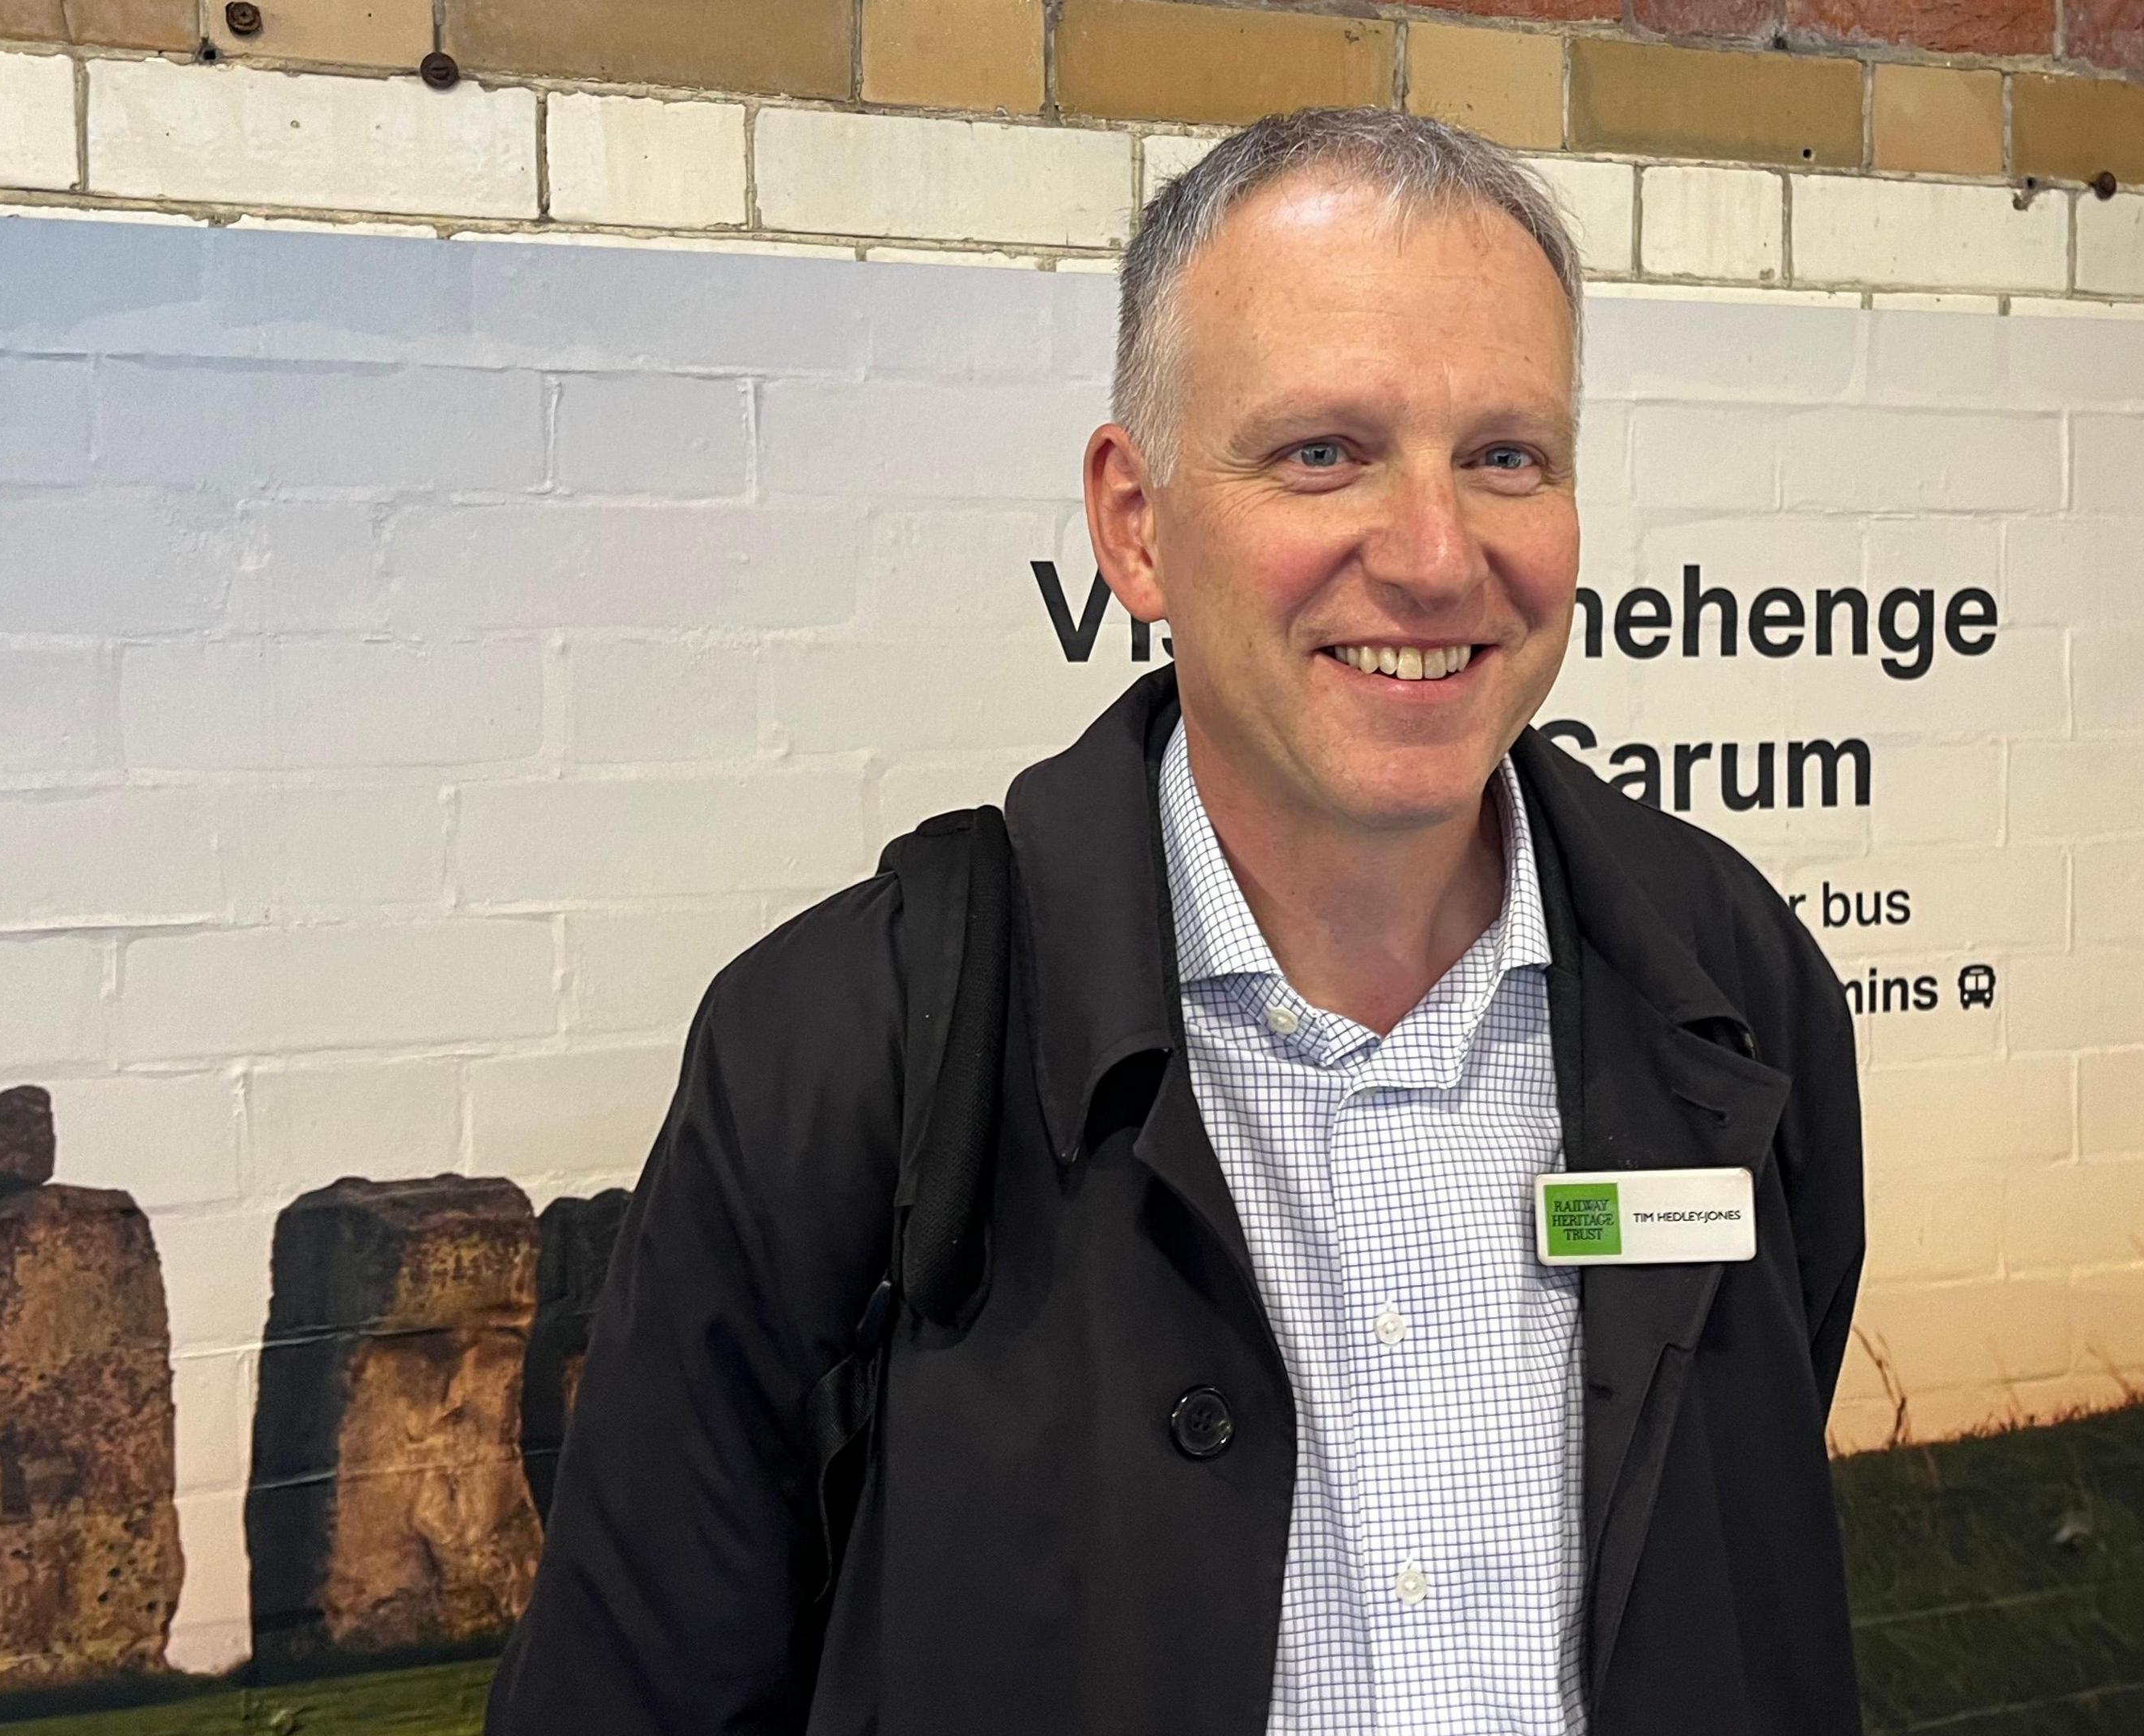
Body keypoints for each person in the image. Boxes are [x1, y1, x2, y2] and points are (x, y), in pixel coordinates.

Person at [487, 107, 1866, 1736]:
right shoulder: (843, 1047)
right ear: (1135, 524)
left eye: (1507, 454)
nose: (1435, 557)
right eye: (1321, 452)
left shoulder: (1728, 979)